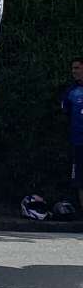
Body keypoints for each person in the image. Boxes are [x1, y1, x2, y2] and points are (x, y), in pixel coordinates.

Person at [61, 59, 83, 209]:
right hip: (79, 142)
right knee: (81, 181)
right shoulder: (71, 92)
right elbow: (66, 112)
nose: (74, 71)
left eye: (77, 68)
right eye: (72, 68)